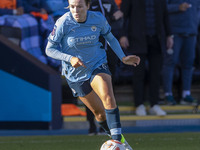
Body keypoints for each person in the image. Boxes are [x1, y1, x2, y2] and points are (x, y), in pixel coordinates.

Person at [45, 0, 140, 149]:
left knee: (108, 96)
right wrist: (70, 58)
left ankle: (117, 142)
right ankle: (120, 141)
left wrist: (123, 57)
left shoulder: (98, 18)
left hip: (97, 64)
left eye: (80, 6)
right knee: (99, 114)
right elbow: (49, 49)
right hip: (75, 75)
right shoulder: (63, 22)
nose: (76, 10)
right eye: (72, 7)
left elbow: (110, 38)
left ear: (88, 6)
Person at [119, 0, 173, 116]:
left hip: (157, 40)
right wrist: (123, 35)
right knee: (139, 74)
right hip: (137, 39)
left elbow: (165, 15)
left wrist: (169, 35)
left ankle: (154, 104)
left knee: (156, 74)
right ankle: (139, 104)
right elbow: (123, 15)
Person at [85, 0, 124, 135]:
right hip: (92, 53)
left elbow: (118, 22)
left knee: (107, 90)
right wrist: (112, 18)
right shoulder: (89, 3)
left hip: (109, 53)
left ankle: (106, 126)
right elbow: (92, 22)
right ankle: (91, 125)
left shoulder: (109, 2)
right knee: (90, 90)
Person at [163, 0, 200, 105]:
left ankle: (186, 94)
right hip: (174, 32)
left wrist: (195, 23)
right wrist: (178, 7)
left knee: (188, 64)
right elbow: (163, 8)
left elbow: (198, 9)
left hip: (191, 33)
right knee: (170, 62)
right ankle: (168, 94)